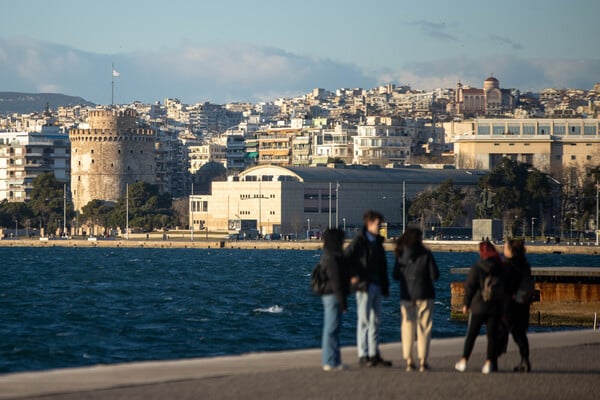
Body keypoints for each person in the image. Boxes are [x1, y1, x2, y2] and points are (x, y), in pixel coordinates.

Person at [345, 210, 392, 367]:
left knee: (376, 320)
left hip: (377, 284)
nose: (379, 227)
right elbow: (346, 257)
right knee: (364, 320)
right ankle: (363, 354)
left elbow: (383, 265)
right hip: (364, 286)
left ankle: (373, 354)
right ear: (369, 223)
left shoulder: (378, 242)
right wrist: (353, 275)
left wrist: (385, 285)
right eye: (378, 224)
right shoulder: (359, 241)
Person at [393, 227, 440, 372]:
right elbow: (434, 275)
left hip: (407, 295)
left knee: (407, 327)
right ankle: (422, 361)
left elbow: (395, 275)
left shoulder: (400, 253)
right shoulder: (426, 254)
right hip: (424, 294)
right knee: (424, 327)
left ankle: (408, 360)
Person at [455, 241, 504, 374]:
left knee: (471, 335)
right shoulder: (500, 267)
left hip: (478, 306)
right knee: (492, 336)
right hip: (495, 306)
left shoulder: (478, 267)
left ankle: (464, 361)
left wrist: (466, 304)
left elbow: (470, 287)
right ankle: (489, 363)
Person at [319, 228, 350, 371]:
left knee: (333, 328)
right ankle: (330, 361)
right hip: (333, 295)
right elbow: (336, 280)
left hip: (330, 294)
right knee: (331, 328)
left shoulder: (328, 255)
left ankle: (334, 360)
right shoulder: (332, 257)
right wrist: (343, 300)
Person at [503, 238, 533, 372]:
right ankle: (524, 360)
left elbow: (507, 283)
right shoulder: (525, 264)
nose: (503, 249)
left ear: (511, 250)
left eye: (505, 247)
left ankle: (492, 360)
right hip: (524, 303)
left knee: (509, 331)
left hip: (512, 303)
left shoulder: (509, 265)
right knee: (520, 332)